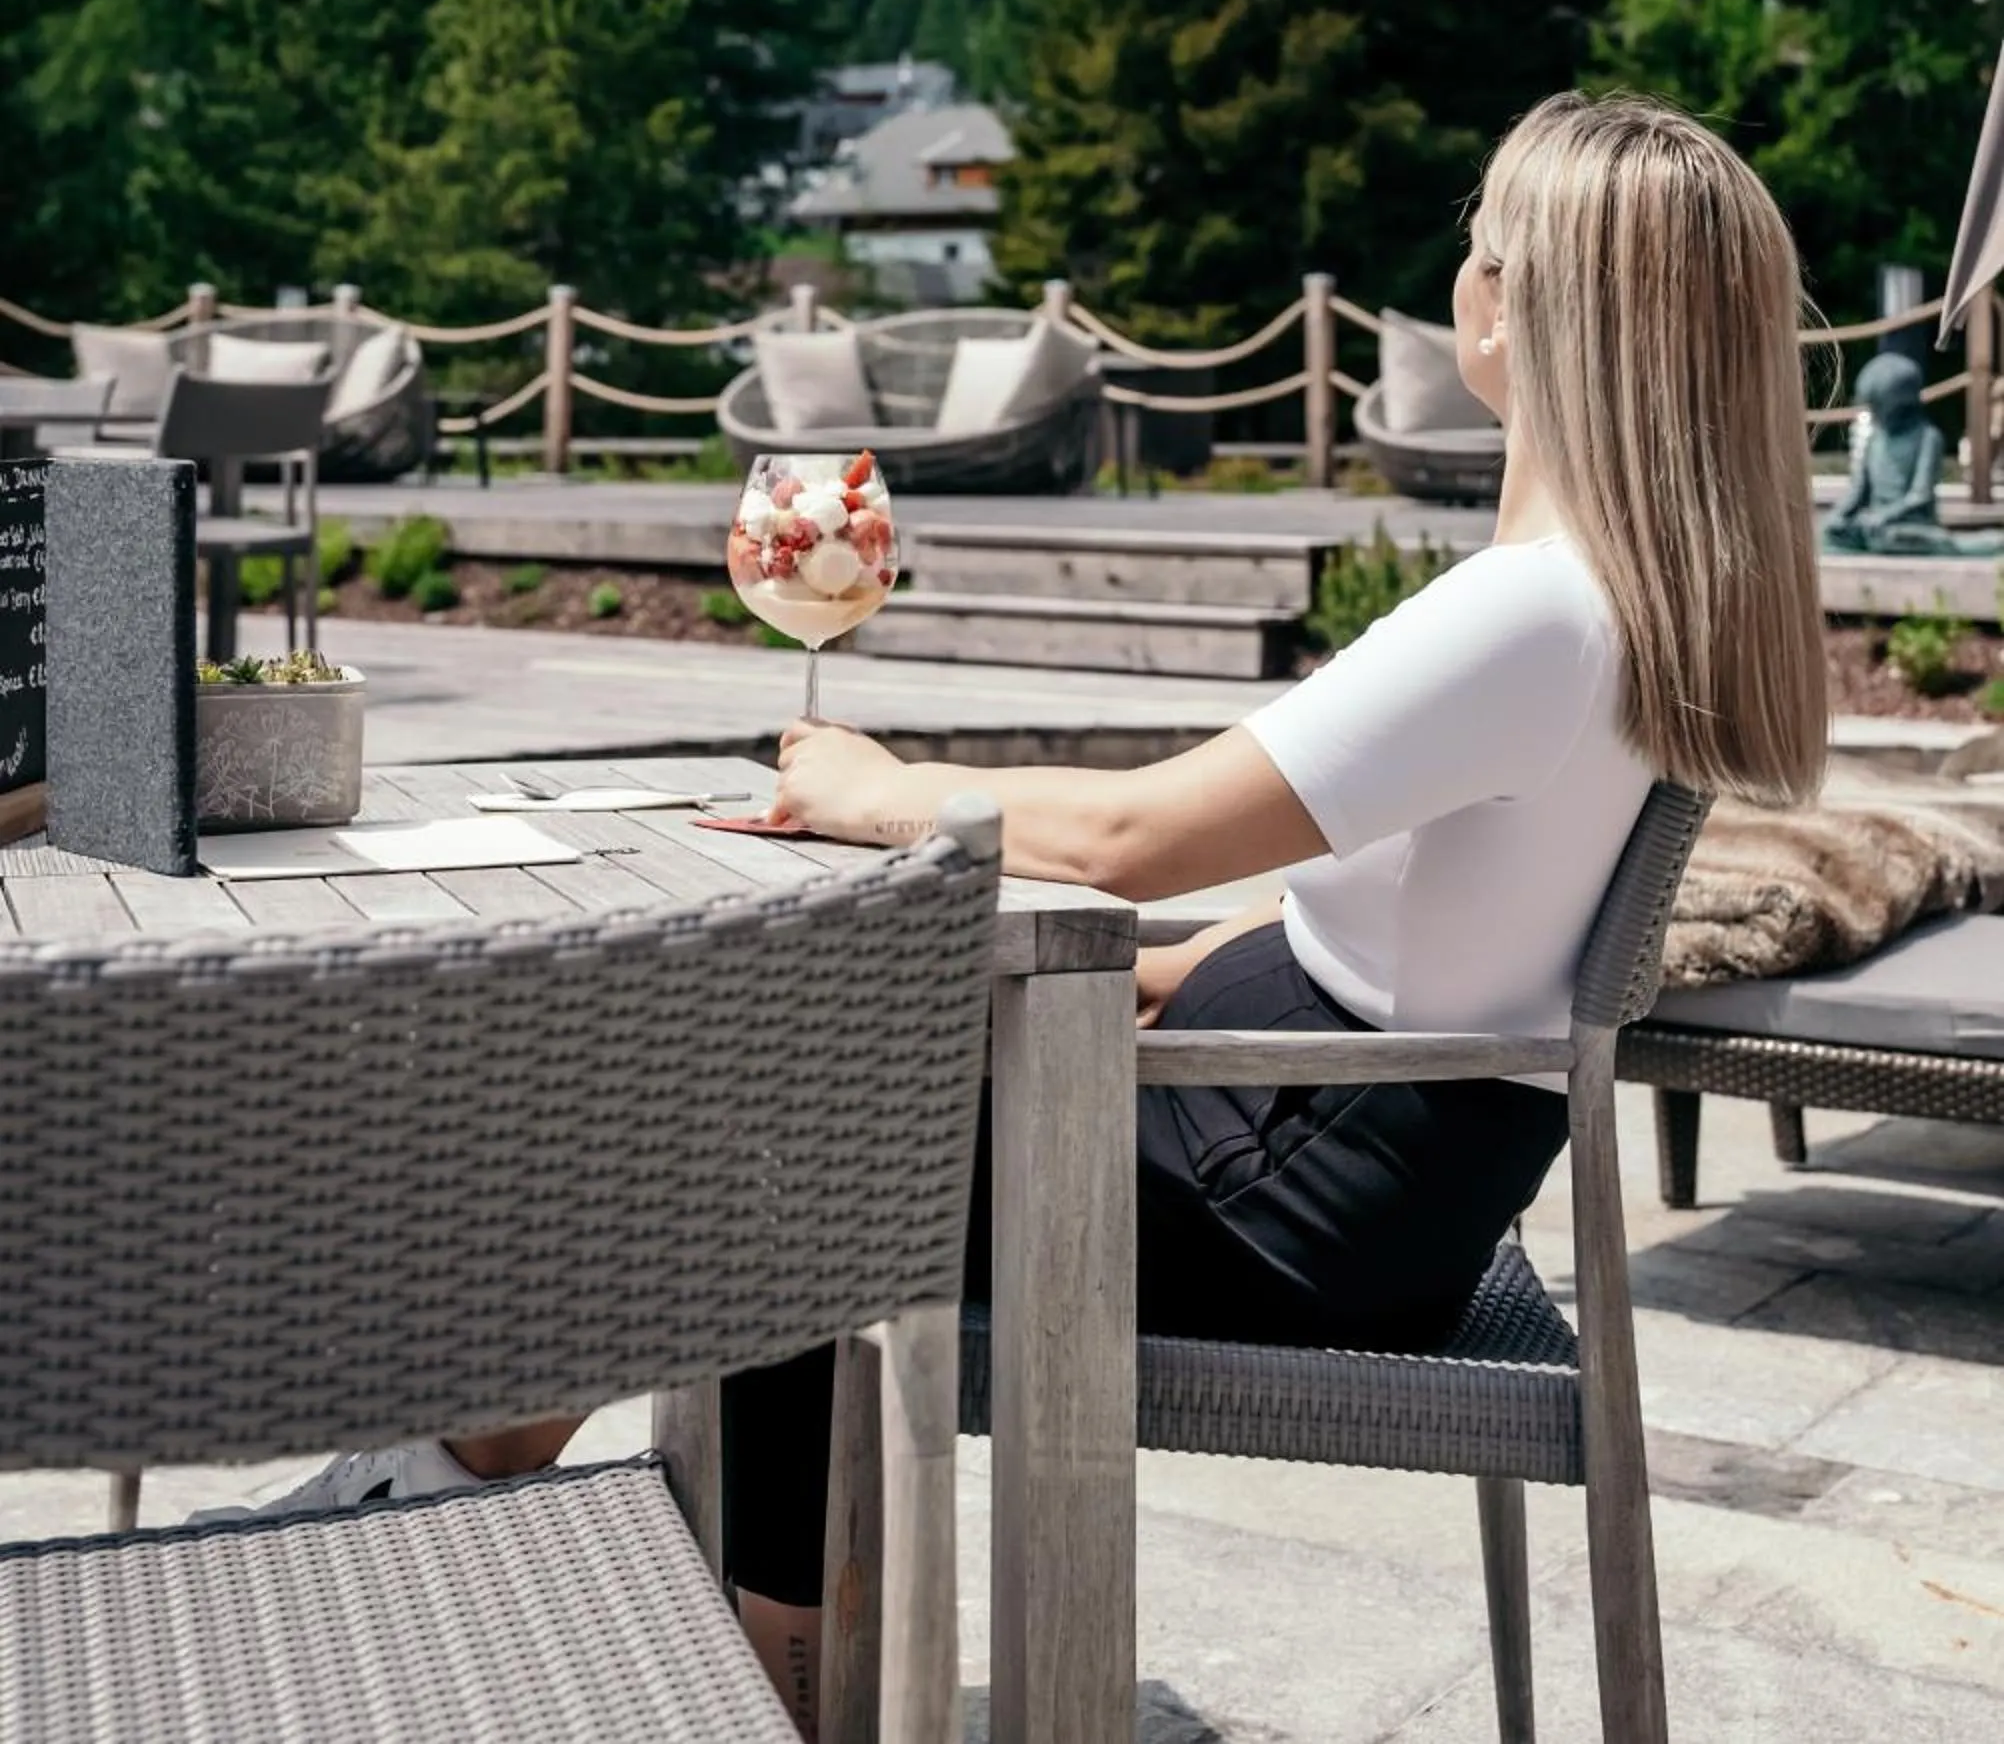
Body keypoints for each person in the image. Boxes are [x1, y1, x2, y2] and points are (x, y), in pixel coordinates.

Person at [216, 93, 1826, 1739]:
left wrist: (881, 783)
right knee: (777, 1100)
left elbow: (1137, 835)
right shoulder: (1630, 601)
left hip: (1291, 1205)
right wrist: (1175, 974)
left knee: (770, 1153)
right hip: (1340, 1162)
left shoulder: (1530, 614)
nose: (1458, 276)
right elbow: (1426, 939)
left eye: (1478, 246)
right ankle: (498, 1511)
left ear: (1524, 308)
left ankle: (676, 1634)